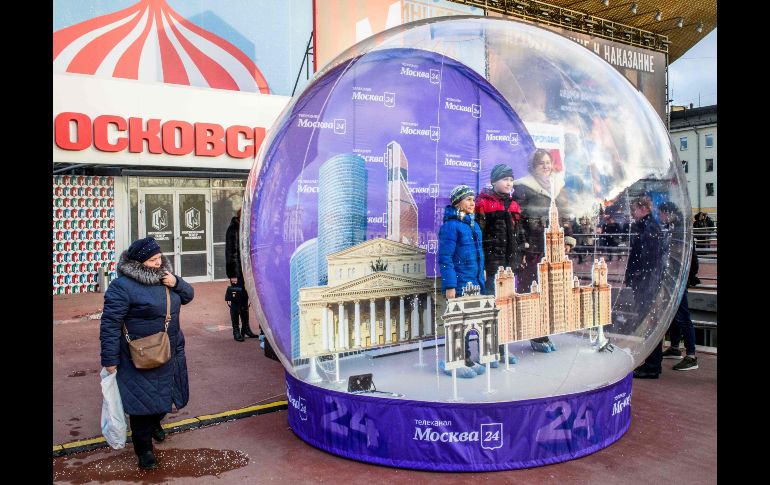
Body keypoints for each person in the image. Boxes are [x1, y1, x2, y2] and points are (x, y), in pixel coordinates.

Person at [99, 236, 194, 469]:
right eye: (152, 260)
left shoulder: (166, 279)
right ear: (139, 262)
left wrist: (177, 283)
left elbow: (188, 295)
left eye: (160, 258)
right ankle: (144, 451)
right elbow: (110, 324)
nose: (158, 263)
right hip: (139, 355)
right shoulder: (122, 287)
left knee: (166, 399)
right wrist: (110, 360)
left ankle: (155, 424)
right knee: (141, 405)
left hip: (171, 350)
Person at [512, 148, 569, 353]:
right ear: (533, 167)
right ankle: (535, 334)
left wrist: (568, 239)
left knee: (549, 292)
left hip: (551, 248)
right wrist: (523, 245)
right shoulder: (523, 187)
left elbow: (565, 214)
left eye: (548, 162)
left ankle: (542, 331)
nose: (546, 166)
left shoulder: (557, 187)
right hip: (533, 249)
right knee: (531, 291)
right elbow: (516, 219)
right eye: (541, 163)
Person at [634, 202, 699, 378]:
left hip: (676, 281)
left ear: (667, 213)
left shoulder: (679, 229)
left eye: (661, 214)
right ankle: (676, 348)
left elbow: (686, 256)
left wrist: (686, 278)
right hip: (673, 280)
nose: (660, 217)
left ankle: (691, 355)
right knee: (674, 316)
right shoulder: (673, 227)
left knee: (682, 317)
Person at [475, 164, 526, 363]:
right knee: (491, 307)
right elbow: (478, 235)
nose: (509, 183)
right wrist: (484, 265)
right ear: (494, 181)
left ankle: (503, 348)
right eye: (505, 179)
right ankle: (488, 349)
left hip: (509, 264)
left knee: (506, 307)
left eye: (511, 180)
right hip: (492, 264)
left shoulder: (513, 205)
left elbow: (519, 232)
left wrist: (520, 253)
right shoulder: (483, 203)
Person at [439, 185, 485, 366]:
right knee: (460, 322)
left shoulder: (473, 225)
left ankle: (468, 357)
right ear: (458, 202)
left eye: (473, 199)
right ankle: (459, 359)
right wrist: (450, 285)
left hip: (473, 282)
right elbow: (445, 258)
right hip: (459, 282)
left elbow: (478, 254)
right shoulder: (451, 226)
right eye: (468, 199)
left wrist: (481, 276)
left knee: (471, 322)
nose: (473, 203)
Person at [225, 208, 259, 342]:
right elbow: (231, 253)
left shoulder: (247, 229)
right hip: (237, 272)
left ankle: (246, 328)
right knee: (235, 300)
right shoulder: (233, 229)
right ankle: (236, 330)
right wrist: (233, 274)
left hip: (247, 272)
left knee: (245, 300)